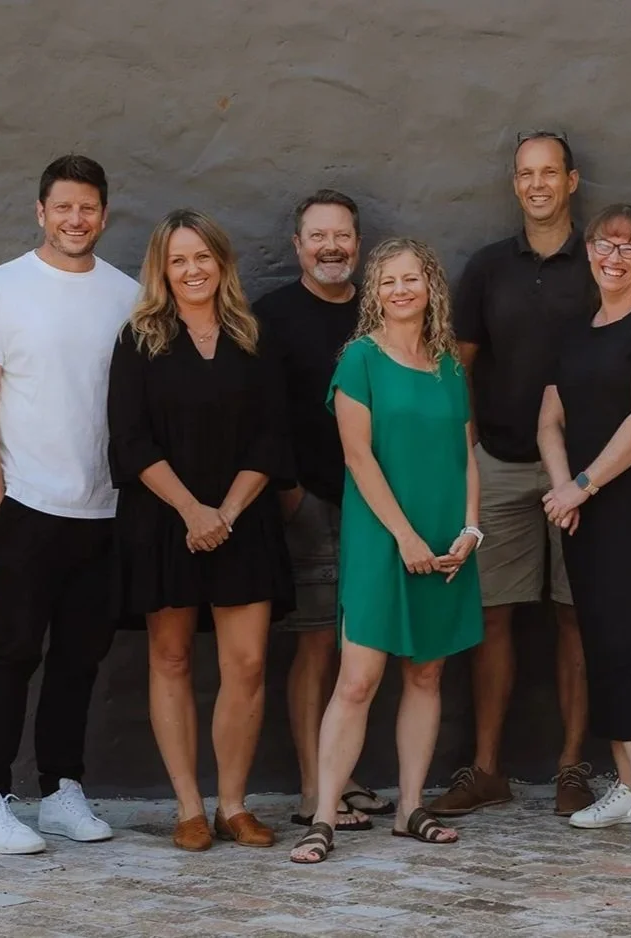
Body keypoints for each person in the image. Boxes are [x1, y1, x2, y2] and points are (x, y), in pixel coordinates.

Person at [0, 154, 138, 855]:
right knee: (12, 652)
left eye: (87, 207)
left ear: (103, 214)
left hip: (104, 510)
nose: (75, 218)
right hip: (26, 506)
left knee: (79, 660)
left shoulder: (127, 293)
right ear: (41, 211)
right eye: (62, 206)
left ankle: (61, 790)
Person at [289, 238, 483, 864]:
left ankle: (409, 808)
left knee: (427, 672)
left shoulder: (449, 364)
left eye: (412, 280)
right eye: (389, 281)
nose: (401, 290)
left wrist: (470, 530)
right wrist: (403, 536)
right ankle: (322, 815)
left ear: (431, 289)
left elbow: (465, 453)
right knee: (358, 679)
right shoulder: (360, 360)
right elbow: (357, 457)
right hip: (383, 538)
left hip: (446, 538)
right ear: (375, 292)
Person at [107, 209, 293, 852]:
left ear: (222, 261)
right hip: (166, 520)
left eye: (202, 257)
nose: (192, 270)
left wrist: (228, 514)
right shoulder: (139, 339)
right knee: (173, 657)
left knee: (246, 663)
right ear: (163, 268)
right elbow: (128, 440)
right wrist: (192, 512)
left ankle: (233, 805)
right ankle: (189, 806)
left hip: (244, 517)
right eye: (178, 259)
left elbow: (274, 435)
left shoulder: (253, 335)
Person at [430, 131, 596, 819]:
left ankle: (571, 768)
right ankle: (487, 768)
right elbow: (456, 363)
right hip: (497, 462)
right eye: (525, 174)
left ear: (571, 181)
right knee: (490, 616)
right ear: (514, 183)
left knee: (575, 618)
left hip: (582, 472)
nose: (537, 185)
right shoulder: (489, 268)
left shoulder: (598, 262)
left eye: (549, 172)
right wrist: (464, 449)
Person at [538, 204, 631, 853]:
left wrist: (585, 484)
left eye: (629, 247)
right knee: (600, 644)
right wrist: (562, 490)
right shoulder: (575, 332)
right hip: (585, 512)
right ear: (591, 251)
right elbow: (550, 419)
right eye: (605, 244)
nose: (615, 256)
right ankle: (625, 789)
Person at [254, 189, 394, 833]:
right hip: (309, 501)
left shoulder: (378, 313)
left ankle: (342, 774)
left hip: (376, 506)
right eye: (318, 236)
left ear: (357, 244)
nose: (331, 247)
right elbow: (263, 419)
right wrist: (290, 495)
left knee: (357, 648)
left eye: (342, 236)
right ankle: (315, 789)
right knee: (315, 648)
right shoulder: (273, 317)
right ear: (298, 246)